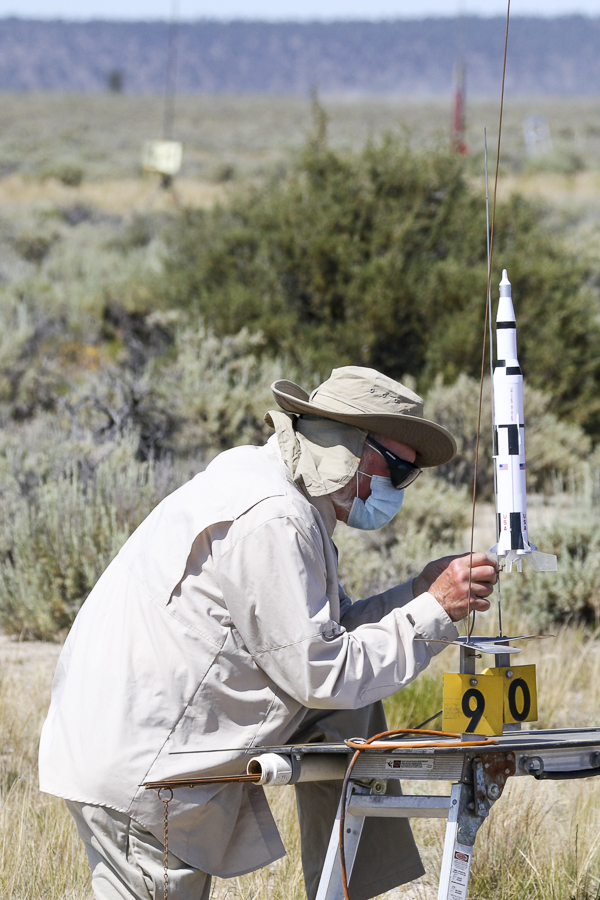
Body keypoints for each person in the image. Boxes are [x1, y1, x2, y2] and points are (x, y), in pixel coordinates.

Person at [39, 365, 497, 900]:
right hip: (144, 773)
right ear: (348, 447)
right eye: (397, 469)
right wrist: (434, 612)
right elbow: (321, 672)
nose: (398, 488)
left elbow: (322, 639)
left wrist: (418, 594)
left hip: (127, 744)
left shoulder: (268, 485)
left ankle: (350, 885)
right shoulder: (275, 517)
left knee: (349, 714)